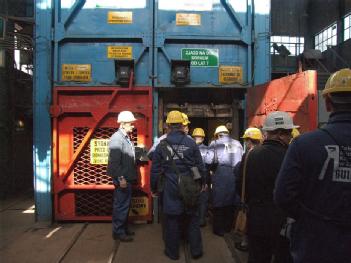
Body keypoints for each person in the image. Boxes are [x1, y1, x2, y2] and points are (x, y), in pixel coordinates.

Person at [274, 68, 351, 263]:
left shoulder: (304, 144)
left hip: (315, 245)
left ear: (327, 102)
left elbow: (283, 195)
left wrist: (310, 218)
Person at [151, 110, 205, 260]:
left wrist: (154, 188)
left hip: (170, 186)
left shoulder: (161, 145)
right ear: (182, 125)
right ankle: (196, 251)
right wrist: (202, 183)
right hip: (189, 185)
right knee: (192, 219)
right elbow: (200, 167)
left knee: (172, 221)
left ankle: (172, 253)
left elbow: (155, 170)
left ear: (168, 125)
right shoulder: (191, 143)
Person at [245, 111, 299, 263]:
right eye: (289, 133)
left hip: (256, 218)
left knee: (257, 257)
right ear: (280, 134)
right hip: (282, 222)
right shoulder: (291, 156)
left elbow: (241, 187)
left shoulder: (250, 154)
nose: (290, 137)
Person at [205, 125, 243, 236]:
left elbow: (208, 160)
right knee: (232, 201)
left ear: (217, 135)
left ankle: (218, 229)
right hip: (236, 173)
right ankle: (228, 227)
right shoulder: (238, 143)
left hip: (221, 173)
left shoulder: (215, 143)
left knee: (219, 201)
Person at [107, 111, 137, 242]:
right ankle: (118, 232)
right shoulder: (117, 138)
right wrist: (121, 179)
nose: (133, 126)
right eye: (131, 123)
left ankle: (123, 228)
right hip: (122, 179)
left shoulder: (125, 137)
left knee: (125, 205)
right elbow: (114, 163)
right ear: (123, 124)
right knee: (121, 206)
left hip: (126, 178)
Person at [234, 127, 263, 251]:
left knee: (248, 219)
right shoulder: (264, 152)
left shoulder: (248, 155)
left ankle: (246, 243)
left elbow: (240, 176)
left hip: (250, 195)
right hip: (263, 195)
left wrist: (241, 194)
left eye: (246, 140)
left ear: (249, 140)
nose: (245, 143)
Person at [192, 128, 209, 226]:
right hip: (203, 176)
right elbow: (210, 163)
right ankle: (201, 221)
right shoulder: (207, 149)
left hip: (193, 176)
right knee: (202, 200)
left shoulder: (190, 148)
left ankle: (194, 221)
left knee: (193, 199)